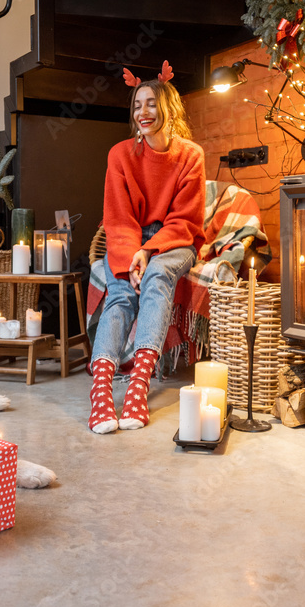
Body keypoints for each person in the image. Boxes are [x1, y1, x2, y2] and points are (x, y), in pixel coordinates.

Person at [88, 62, 205, 434]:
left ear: (169, 108)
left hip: (175, 240)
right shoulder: (120, 155)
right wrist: (133, 252)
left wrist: (149, 252)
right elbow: (119, 219)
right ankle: (101, 389)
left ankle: (140, 382)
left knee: (156, 276)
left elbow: (186, 221)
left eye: (151, 104)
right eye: (137, 105)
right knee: (120, 293)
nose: (143, 112)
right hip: (129, 236)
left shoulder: (191, 155)